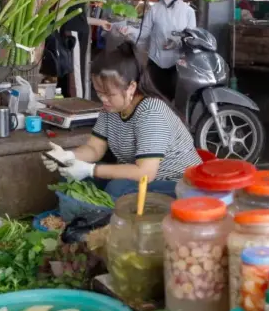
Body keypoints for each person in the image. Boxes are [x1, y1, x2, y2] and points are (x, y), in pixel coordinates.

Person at [41, 42, 202, 199]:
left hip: (177, 184)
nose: (103, 99)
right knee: (70, 178)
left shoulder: (151, 111)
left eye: (109, 94)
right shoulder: (110, 109)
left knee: (118, 188)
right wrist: (68, 156)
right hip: (141, 179)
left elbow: (145, 172)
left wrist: (91, 170)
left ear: (131, 87)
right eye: (99, 92)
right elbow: (94, 148)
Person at [118, 0, 196, 101]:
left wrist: (177, 42)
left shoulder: (188, 12)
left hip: (177, 65)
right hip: (155, 63)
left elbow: (191, 38)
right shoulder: (155, 10)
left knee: (173, 102)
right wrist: (130, 30)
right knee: (154, 99)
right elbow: (144, 33)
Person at [58, 0, 111, 98]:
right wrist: (55, 32)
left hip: (80, 33)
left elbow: (78, 17)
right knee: (76, 71)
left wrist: (100, 22)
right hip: (73, 34)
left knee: (81, 70)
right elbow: (61, 11)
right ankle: (78, 102)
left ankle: (82, 100)